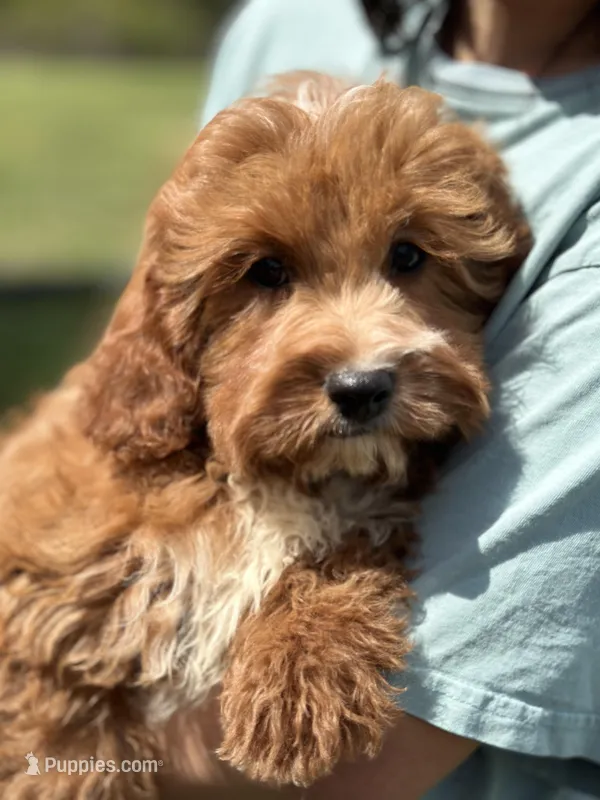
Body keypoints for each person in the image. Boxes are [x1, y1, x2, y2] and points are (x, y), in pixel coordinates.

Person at [190, 2, 600, 798]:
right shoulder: (290, 25)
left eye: (407, 259)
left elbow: (340, 767)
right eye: (274, 275)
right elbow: (168, 328)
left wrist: (60, 744)